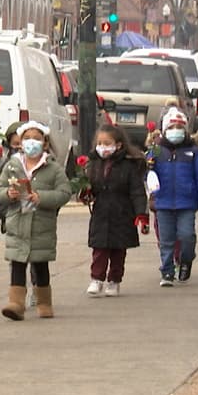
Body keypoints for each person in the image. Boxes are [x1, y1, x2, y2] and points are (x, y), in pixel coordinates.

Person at [0, 121, 71, 315]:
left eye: (36, 139)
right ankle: (16, 304)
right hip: (18, 224)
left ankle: (44, 303)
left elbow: (64, 193)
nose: (31, 143)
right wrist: (8, 194)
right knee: (17, 264)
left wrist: (42, 198)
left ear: (45, 144)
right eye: (27, 139)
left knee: (40, 265)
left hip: (41, 226)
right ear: (20, 143)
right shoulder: (12, 166)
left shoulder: (53, 168)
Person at [79, 123, 145, 296]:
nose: (103, 147)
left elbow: (137, 192)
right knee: (99, 249)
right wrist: (85, 192)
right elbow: (90, 187)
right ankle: (96, 278)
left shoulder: (128, 166)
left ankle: (114, 281)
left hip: (122, 213)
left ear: (118, 145)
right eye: (100, 143)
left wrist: (141, 214)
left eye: (107, 143)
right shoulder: (93, 164)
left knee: (118, 251)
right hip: (101, 212)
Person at [148, 108, 198, 284]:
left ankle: (186, 260)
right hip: (163, 202)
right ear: (165, 130)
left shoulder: (194, 152)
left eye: (180, 127)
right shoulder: (157, 150)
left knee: (187, 235)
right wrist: (149, 170)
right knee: (166, 239)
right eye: (172, 127)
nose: (176, 131)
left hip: (186, 202)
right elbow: (148, 173)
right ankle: (167, 271)